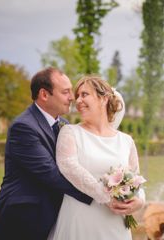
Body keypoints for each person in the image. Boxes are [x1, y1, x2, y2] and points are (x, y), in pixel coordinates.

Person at [0, 67, 93, 240]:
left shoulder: (65, 125)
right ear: (44, 94)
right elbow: (51, 174)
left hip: (54, 216)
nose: (72, 98)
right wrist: (97, 196)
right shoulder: (23, 127)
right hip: (23, 219)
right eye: (65, 92)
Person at [48, 75, 145, 240]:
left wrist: (139, 201)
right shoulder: (70, 132)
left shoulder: (126, 141)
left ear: (104, 99)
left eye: (84, 94)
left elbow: (136, 179)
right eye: (77, 96)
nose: (78, 101)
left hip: (115, 225)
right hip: (80, 221)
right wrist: (106, 198)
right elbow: (69, 167)